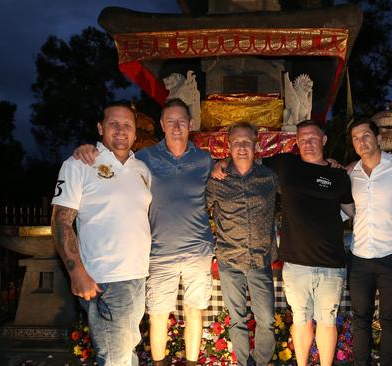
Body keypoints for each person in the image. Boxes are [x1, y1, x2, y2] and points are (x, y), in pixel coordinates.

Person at [73, 98, 214, 366]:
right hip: (159, 252)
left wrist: (223, 167)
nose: (175, 126)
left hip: (198, 252)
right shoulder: (145, 158)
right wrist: (88, 149)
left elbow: (223, 176)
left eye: (181, 121)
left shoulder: (204, 160)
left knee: (195, 311)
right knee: (158, 315)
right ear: (161, 124)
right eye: (170, 121)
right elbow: (115, 160)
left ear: (191, 125)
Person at [213, 120, 353, 366]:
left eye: (313, 137)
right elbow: (243, 161)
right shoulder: (285, 165)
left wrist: (348, 167)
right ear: (296, 142)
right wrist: (222, 161)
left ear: (324, 140)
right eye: (303, 138)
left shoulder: (336, 174)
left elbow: (353, 210)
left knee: (320, 321)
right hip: (285, 262)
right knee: (297, 319)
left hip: (321, 261)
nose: (308, 143)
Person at [51, 102, 152, 365]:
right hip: (105, 279)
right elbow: (61, 221)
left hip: (137, 276)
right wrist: (76, 271)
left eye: (127, 125)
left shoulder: (141, 169)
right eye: (113, 124)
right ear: (100, 128)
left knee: (127, 352)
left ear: (135, 132)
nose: (121, 130)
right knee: (115, 359)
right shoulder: (79, 164)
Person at [206, 122, 278, 366]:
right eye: (237, 142)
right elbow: (198, 209)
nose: (242, 147)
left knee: (266, 319)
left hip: (260, 260)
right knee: (237, 319)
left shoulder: (269, 177)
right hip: (229, 261)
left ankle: (261, 361)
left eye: (246, 142)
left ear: (255, 144)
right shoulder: (217, 179)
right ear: (229, 145)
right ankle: (243, 362)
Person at [343, 118, 392, 366]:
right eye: (356, 138)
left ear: (378, 138)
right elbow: (344, 207)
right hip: (359, 257)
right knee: (360, 318)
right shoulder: (351, 174)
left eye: (366, 135)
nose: (362, 141)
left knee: (391, 319)